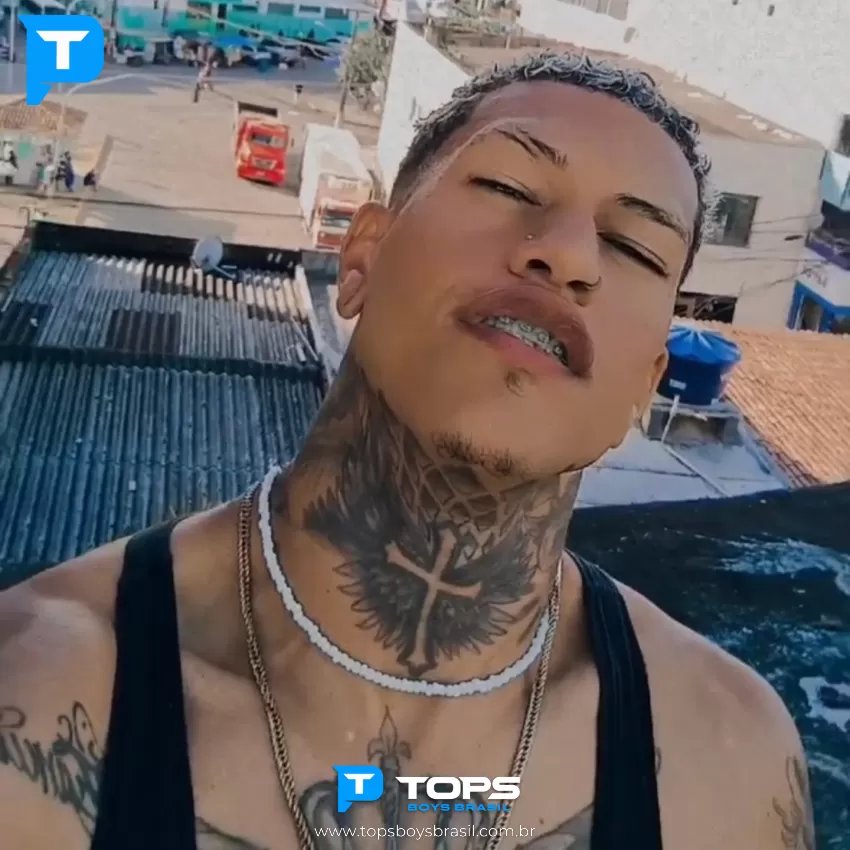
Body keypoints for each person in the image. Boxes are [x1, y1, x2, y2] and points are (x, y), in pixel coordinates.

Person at [0, 52, 814, 850]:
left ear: (647, 383)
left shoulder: (729, 767)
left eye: (635, 247)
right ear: (360, 258)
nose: (569, 255)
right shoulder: (34, 702)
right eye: (508, 187)